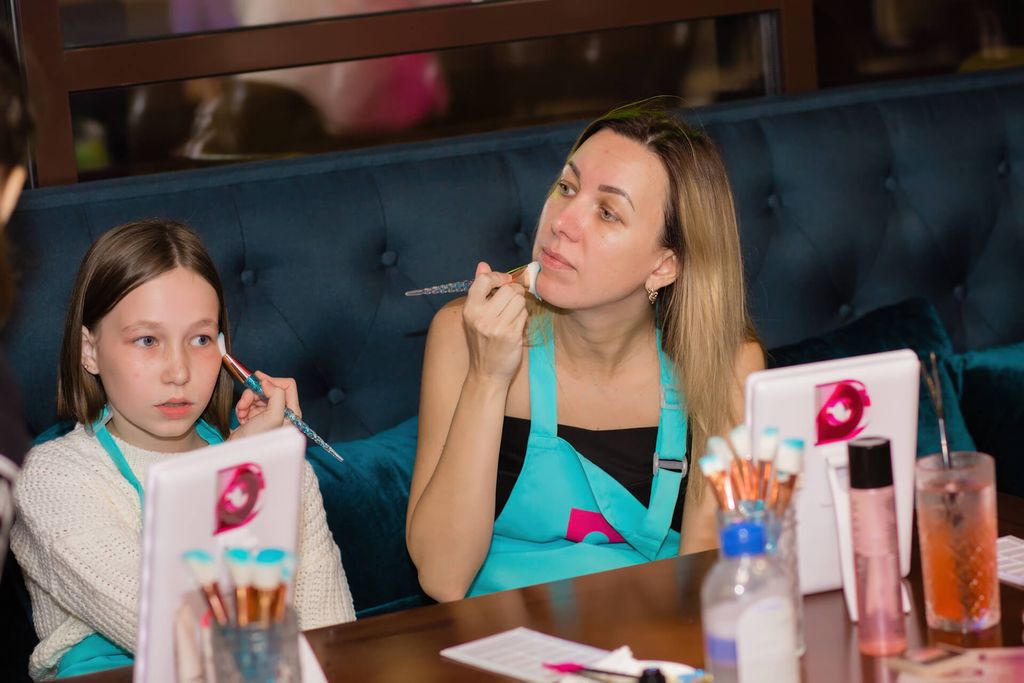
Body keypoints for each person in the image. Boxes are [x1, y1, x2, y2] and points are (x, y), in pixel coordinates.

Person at [406, 101, 764, 601]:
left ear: (664, 265)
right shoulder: (462, 334)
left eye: (608, 212)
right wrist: (487, 377)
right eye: (567, 188)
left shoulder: (727, 366)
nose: (563, 222)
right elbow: (442, 577)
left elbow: (709, 581)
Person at [11, 220, 355, 679]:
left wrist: (266, 466)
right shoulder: (52, 478)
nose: (179, 372)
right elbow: (182, 631)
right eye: (147, 340)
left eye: (200, 339)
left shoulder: (272, 462)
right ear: (89, 350)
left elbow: (330, 642)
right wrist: (235, 468)